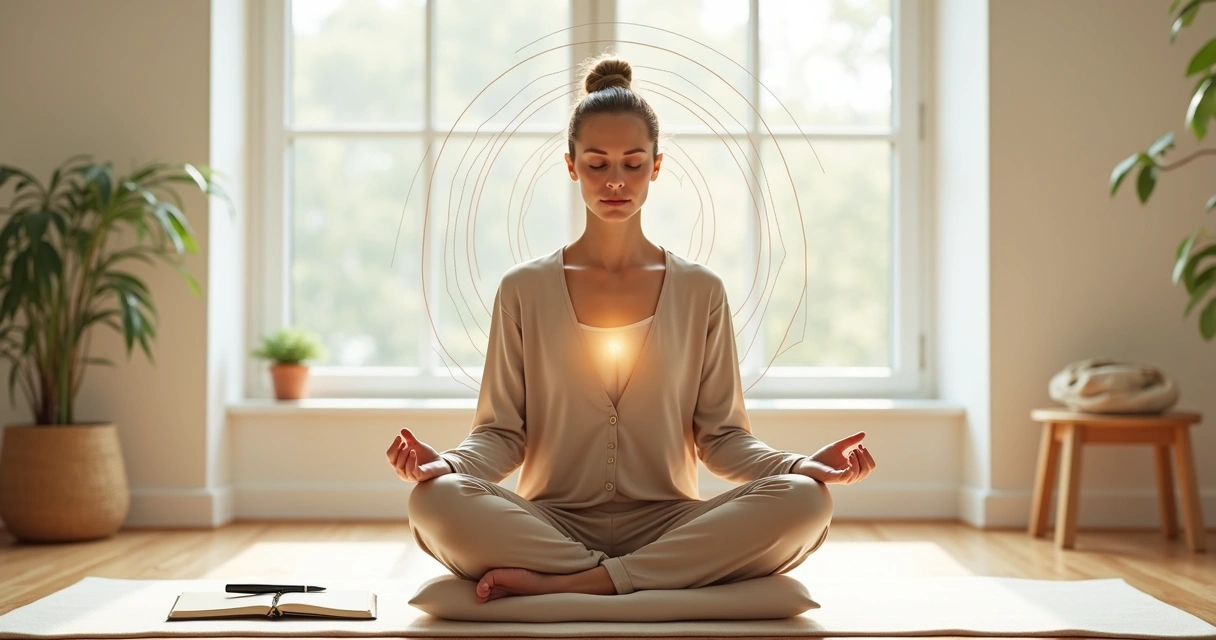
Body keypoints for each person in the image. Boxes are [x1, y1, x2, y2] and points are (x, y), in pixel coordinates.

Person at [386, 54, 876, 606]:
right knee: (433, 502)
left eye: (633, 163)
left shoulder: (700, 292)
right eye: (596, 164)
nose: (615, 181)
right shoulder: (522, 289)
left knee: (806, 501)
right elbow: (503, 434)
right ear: (570, 166)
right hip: (547, 524)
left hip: (668, 523)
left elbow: (722, 438)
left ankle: (580, 584)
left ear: (657, 167)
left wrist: (796, 466)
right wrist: (445, 464)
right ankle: (646, 577)